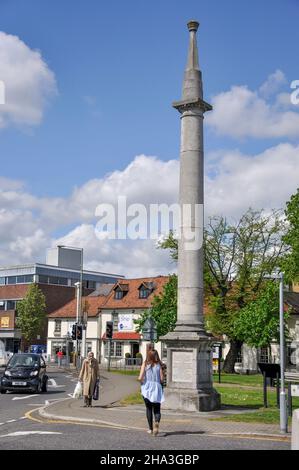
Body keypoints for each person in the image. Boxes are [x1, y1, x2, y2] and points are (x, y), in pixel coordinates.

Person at [138, 349, 164, 436]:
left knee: (148, 408)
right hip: (156, 387)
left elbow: (140, 377)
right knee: (157, 409)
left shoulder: (145, 364)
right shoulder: (159, 365)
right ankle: (156, 422)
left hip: (147, 387)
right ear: (156, 355)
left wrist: (141, 382)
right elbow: (161, 379)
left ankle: (150, 429)